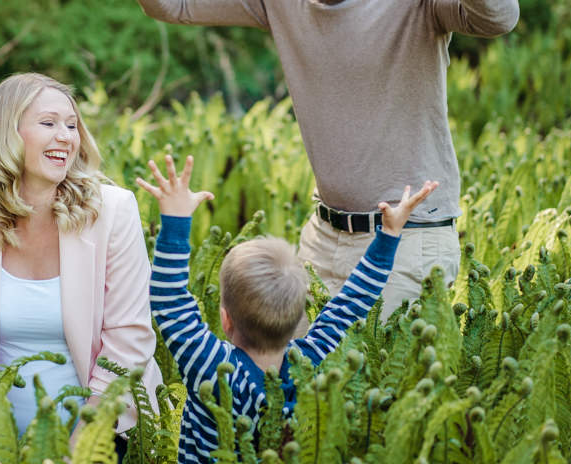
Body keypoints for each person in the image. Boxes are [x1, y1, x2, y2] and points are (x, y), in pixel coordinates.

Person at [107, 0, 519, 314]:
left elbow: (499, 16)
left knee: (376, 388)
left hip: (408, 242)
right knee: (296, 385)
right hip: (323, 239)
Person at [138, 152, 437, 463]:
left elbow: (169, 302)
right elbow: (352, 303)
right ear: (299, 316)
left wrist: (175, 218)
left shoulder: (212, 368)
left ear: (225, 319)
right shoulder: (306, 364)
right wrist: (389, 234)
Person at [0, 72, 161, 445]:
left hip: (104, 436)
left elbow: (128, 341)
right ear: (7, 134)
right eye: (49, 123)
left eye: (72, 125)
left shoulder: (114, 211)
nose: (67, 137)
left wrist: (80, 447)